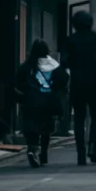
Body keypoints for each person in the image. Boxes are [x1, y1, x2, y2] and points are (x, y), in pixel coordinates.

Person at [14, 38, 65, 167]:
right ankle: (43, 154)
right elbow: (63, 80)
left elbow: (18, 83)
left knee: (31, 127)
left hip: (31, 101)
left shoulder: (27, 66)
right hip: (48, 101)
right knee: (46, 128)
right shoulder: (54, 65)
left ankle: (32, 148)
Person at [62, 10, 96, 166]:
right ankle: (93, 145)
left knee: (79, 119)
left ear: (74, 24)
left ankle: (80, 152)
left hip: (77, 83)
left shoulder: (70, 40)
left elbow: (64, 62)